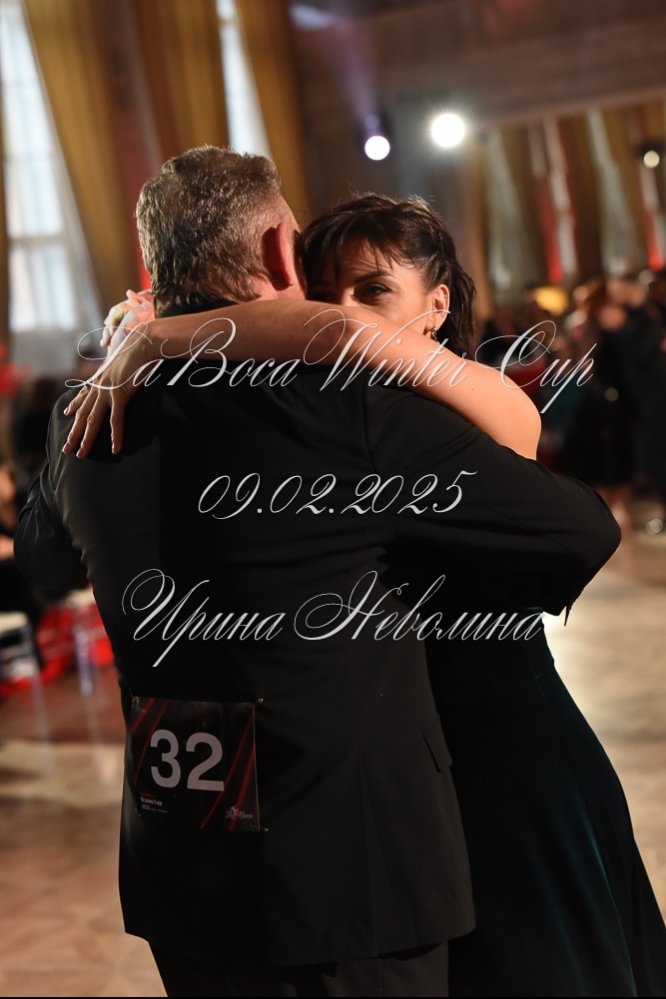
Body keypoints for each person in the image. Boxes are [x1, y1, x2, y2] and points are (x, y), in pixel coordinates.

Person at [16, 148, 623, 998]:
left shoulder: (84, 421)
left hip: (182, 857)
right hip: (346, 872)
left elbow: (42, 560)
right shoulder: (343, 404)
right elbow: (577, 530)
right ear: (279, 253)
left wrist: (145, 339)